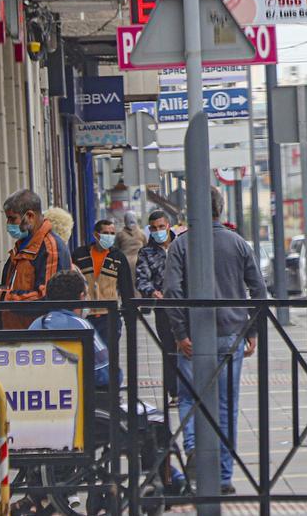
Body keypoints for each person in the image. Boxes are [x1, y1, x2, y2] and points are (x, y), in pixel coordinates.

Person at [163, 187, 267, 495]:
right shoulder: (238, 243)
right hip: (230, 336)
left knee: (188, 398)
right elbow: (258, 290)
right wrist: (251, 331)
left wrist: (180, 332)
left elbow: (172, 292)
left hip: (194, 336)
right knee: (226, 407)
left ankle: (194, 446)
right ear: (220, 209)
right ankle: (223, 477)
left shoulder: (181, 246)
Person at [0, 189, 71, 329]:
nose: (8, 224)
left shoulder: (50, 248)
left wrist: (0, 297)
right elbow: (13, 288)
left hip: (35, 338)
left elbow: (45, 298)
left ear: (30, 216)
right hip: (14, 335)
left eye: (12, 218)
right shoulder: (22, 246)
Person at [71, 219, 134, 384]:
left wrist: (129, 319)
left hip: (109, 317)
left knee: (110, 356)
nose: (109, 236)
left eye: (112, 233)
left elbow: (126, 288)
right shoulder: (79, 255)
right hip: (86, 317)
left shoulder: (118, 257)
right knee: (87, 356)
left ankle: (112, 391)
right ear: (96, 235)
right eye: (106, 233)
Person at [30, 269, 110, 388]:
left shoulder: (36, 324)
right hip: (77, 399)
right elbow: (104, 372)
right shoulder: (82, 326)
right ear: (81, 297)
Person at [136, 210, 179, 403]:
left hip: (185, 306)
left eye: (161, 227)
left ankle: (191, 388)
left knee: (189, 347)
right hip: (163, 309)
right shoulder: (146, 252)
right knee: (170, 349)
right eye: (153, 228)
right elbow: (141, 279)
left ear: (168, 225)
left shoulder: (181, 245)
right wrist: (153, 292)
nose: (158, 231)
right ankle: (175, 392)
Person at [116, 211, 148, 285]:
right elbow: (146, 248)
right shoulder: (141, 233)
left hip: (124, 263)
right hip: (140, 262)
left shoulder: (120, 234)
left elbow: (116, 249)